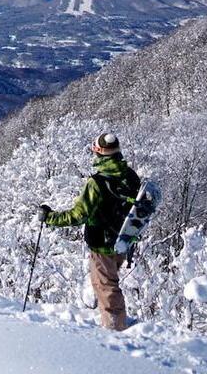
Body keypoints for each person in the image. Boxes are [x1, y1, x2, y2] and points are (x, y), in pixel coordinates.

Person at [37, 133, 140, 331]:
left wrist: (49, 217)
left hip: (102, 244)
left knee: (107, 287)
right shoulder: (130, 175)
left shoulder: (98, 183)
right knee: (108, 284)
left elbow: (78, 215)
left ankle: (115, 331)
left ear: (99, 153)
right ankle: (111, 321)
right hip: (123, 241)